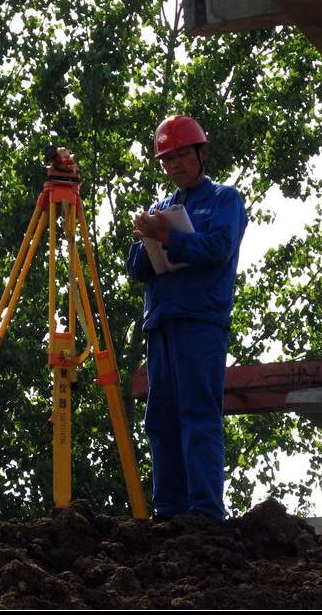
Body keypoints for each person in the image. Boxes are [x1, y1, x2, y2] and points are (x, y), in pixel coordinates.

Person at [127, 115, 248, 522]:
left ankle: (204, 510)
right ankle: (170, 508)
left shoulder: (224, 200)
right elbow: (136, 267)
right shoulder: (162, 207)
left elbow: (218, 247)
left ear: (201, 153)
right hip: (162, 321)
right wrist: (146, 237)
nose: (174, 165)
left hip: (200, 320)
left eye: (180, 156)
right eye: (167, 160)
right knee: (160, 418)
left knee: (197, 412)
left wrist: (169, 237)